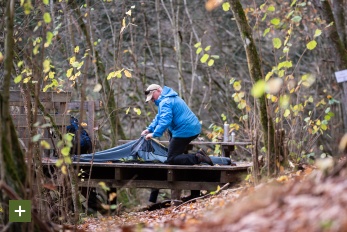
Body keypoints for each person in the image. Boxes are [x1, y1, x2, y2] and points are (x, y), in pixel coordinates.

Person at [141, 84, 213, 203]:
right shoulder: (166, 99)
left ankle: (198, 157)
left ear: (158, 90)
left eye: (152, 97)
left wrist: (154, 134)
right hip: (188, 129)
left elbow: (165, 121)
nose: (152, 100)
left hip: (185, 130)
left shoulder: (165, 102)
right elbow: (159, 117)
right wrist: (149, 129)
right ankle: (194, 193)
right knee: (178, 159)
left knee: (172, 159)